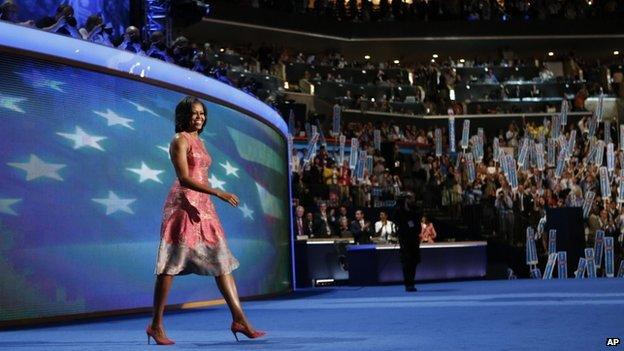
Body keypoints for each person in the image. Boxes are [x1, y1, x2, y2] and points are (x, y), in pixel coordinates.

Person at [148, 96, 265, 345]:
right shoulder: (179, 140)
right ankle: (156, 325)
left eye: (202, 114)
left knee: (222, 262)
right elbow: (183, 178)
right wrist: (218, 192)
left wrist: (210, 197)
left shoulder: (200, 141)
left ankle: (239, 319)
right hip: (184, 206)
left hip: (204, 207)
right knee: (170, 265)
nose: (199, 118)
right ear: (183, 116)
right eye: (194, 114)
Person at [395, 194, 421, 292]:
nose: (410, 200)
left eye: (411, 198)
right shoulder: (399, 209)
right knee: (407, 261)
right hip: (405, 240)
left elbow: (417, 216)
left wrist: (407, 209)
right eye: (408, 198)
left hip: (414, 239)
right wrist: (401, 205)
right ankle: (408, 284)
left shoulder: (416, 208)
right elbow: (396, 218)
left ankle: (412, 281)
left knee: (414, 261)